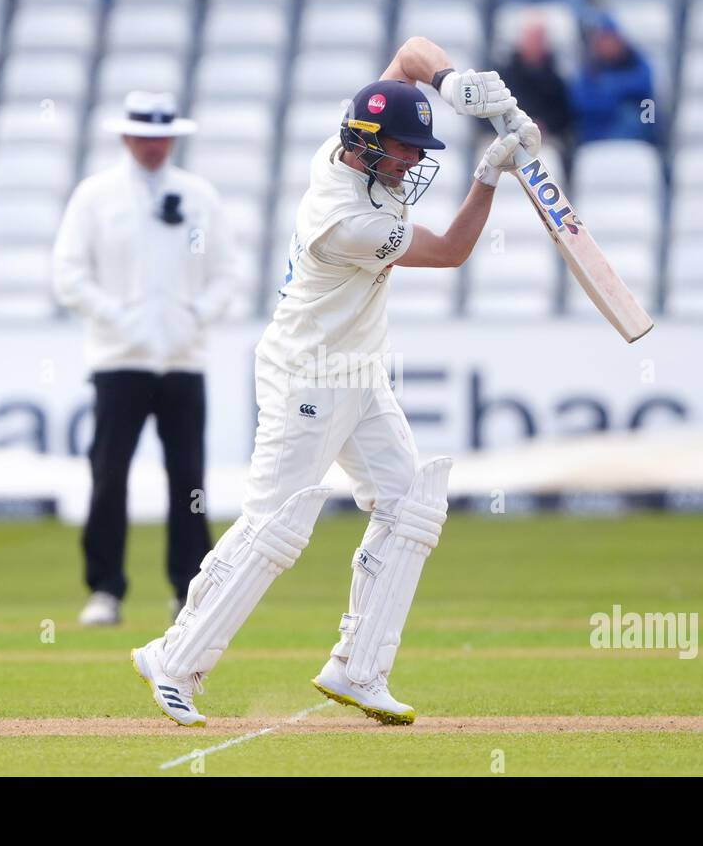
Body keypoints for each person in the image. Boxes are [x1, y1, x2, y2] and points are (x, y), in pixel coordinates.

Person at [129, 37, 540, 727]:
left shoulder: (346, 143)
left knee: (411, 503)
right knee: (276, 529)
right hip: (307, 375)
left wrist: (456, 84)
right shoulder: (348, 220)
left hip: (359, 368)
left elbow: (410, 55)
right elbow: (451, 252)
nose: (414, 163)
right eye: (407, 152)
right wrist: (491, 173)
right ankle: (173, 660)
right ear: (370, 149)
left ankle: (358, 668)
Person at [53, 91, 240, 627]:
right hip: (119, 360)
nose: (156, 146)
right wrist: (118, 317)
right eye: (146, 136)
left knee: (189, 477)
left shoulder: (198, 195)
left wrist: (193, 316)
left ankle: (190, 589)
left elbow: (228, 273)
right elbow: (68, 274)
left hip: (184, 360)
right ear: (126, 136)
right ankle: (105, 589)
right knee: (109, 474)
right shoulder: (96, 196)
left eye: (164, 136)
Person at [568, 16, 656, 146]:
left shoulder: (633, 60)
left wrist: (610, 86)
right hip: (597, 131)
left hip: (636, 132)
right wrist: (612, 99)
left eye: (610, 38)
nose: (607, 44)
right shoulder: (590, 67)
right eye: (603, 39)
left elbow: (645, 83)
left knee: (640, 111)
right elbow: (581, 101)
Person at [499, 19, 572, 147]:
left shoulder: (555, 79)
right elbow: (489, 114)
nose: (534, 44)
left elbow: (564, 116)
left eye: (538, 40)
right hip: (507, 137)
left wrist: (544, 125)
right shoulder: (503, 76)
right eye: (530, 39)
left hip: (544, 139)